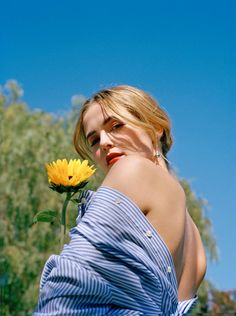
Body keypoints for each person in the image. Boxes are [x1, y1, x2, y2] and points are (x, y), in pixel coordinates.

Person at [34, 85, 207, 315]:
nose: (104, 142)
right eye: (94, 140)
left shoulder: (132, 169)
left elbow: (63, 296)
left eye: (116, 126)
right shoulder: (196, 248)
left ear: (156, 128)